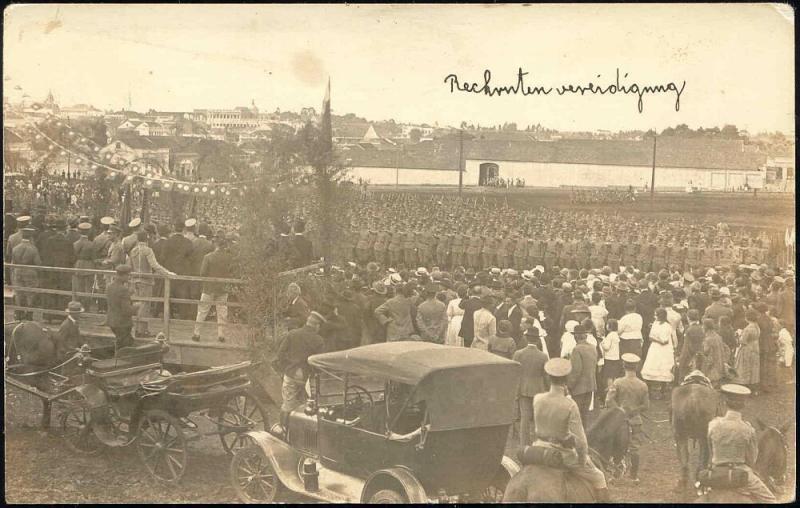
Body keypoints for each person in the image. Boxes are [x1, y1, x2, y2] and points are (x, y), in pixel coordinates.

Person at [531, 358, 611, 502]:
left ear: (549, 378)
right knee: (599, 477)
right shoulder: (570, 404)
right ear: (566, 379)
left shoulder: (537, 399)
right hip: (560, 454)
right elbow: (581, 442)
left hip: (537, 449)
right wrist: (582, 460)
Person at [706, 384, 776, 503]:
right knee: (771, 500)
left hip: (716, 473)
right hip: (741, 474)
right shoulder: (748, 429)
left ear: (725, 402)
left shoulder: (713, 424)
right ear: (744, 405)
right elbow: (752, 459)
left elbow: (711, 450)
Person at [275, 312, 326, 430]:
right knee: (308, 405)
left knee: (287, 404)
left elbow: (280, 355)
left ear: (307, 322)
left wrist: (287, 368)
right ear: (317, 326)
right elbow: (319, 363)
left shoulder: (293, 334)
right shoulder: (318, 340)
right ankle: (302, 433)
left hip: (291, 374)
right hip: (308, 378)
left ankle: (283, 431)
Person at [605, 353, 649, 484]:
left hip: (619, 422)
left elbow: (608, 401)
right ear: (636, 367)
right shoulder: (643, 385)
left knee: (616, 446)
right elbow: (646, 406)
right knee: (635, 448)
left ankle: (615, 475)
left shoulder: (618, 382)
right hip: (635, 421)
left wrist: (620, 411)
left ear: (623, 365)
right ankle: (634, 476)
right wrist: (634, 411)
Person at [128, 231, 175, 338]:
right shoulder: (148, 250)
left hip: (135, 281)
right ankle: (141, 331)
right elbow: (155, 265)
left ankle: (137, 329)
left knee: (139, 305)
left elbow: (129, 266)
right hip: (146, 281)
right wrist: (167, 273)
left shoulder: (133, 250)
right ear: (147, 239)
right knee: (145, 305)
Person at [192, 234, 234, 343]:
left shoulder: (208, 257)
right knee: (222, 311)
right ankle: (221, 335)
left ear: (215, 244)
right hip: (223, 288)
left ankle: (196, 333)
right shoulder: (229, 258)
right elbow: (232, 272)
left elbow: (202, 273)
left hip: (209, 288)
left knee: (202, 311)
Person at [513, 326, 549, 448]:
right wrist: (548, 389)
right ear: (537, 340)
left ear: (526, 338)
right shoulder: (543, 356)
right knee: (539, 417)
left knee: (525, 417)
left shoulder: (518, 354)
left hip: (523, 388)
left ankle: (524, 444)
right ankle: (539, 442)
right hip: (539, 389)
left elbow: (515, 372)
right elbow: (546, 375)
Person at [567, 323, 597, 424]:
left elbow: (576, 371)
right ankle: (584, 437)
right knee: (584, 416)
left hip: (579, 387)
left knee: (576, 416)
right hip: (590, 385)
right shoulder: (593, 348)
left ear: (576, 336)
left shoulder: (577, 349)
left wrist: (569, 386)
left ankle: (577, 438)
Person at [11, 227, 42, 321]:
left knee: (19, 293)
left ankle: (19, 313)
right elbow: (38, 263)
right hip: (29, 272)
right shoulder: (33, 248)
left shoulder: (15, 248)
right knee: (30, 293)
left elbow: (13, 262)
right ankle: (29, 314)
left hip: (17, 271)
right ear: (31, 237)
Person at [106, 264, 138, 348]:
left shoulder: (109, 286)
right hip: (123, 323)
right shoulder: (123, 289)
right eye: (128, 275)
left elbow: (115, 301)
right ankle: (120, 359)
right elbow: (126, 311)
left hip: (112, 321)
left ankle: (117, 357)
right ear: (123, 275)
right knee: (126, 346)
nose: (129, 277)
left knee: (121, 342)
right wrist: (137, 307)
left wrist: (129, 293)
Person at [733, 309, 761, 393]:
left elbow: (742, 341)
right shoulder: (757, 326)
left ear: (747, 318)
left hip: (747, 348)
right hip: (755, 347)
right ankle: (753, 383)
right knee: (754, 366)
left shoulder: (748, 328)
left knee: (745, 366)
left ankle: (745, 383)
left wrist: (738, 336)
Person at [700, 318, 726, 388]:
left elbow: (705, 352)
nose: (702, 327)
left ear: (705, 327)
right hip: (719, 363)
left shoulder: (708, 339)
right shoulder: (718, 336)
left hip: (711, 365)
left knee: (710, 384)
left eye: (702, 326)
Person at [600, 318, 622, 400]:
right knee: (614, 376)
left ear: (609, 326)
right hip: (616, 358)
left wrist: (602, 342)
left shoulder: (610, 336)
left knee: (609, 377)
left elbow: (606, 347)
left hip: (609, 358)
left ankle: (610, 395)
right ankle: (614, 393)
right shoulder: (616, 335)